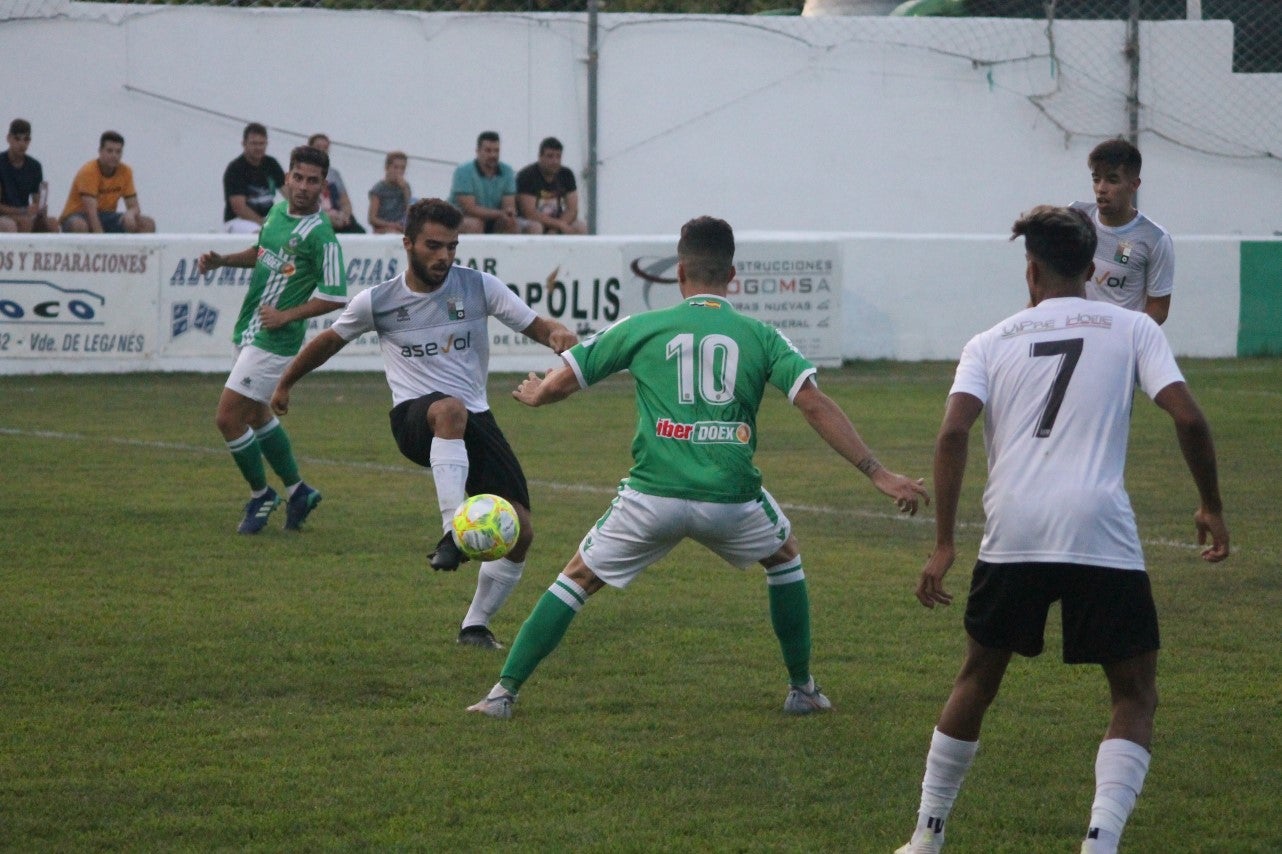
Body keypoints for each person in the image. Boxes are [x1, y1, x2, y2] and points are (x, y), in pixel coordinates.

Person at [466, 215, 930, 720]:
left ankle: (502, 694)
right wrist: (877, 472)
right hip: (731, 500)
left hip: (651, 498)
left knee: (577, 578)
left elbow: (571, 372)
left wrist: (538, 395)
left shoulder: (643, 326)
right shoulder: (761, 335)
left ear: (680, 272)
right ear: (732, 275)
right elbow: (814, 403)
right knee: (784, 557)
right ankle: (803, 689)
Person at [896, 205, 1229, 854]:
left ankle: (925, 837)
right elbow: (1188, 419)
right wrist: (1211, 503)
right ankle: (1099, 843)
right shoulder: (1133, 328)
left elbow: (952, 433)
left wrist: (943, 542)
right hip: (1099, 530)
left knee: (976, 679)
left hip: (1015, 528)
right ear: (1094, 267)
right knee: (1133, 693)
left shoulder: (989, 340)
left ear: (1031, 271)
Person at [270, 198, 577, 649]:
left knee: (521, 530)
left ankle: (475, 625)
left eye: (452, 247)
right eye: (434, 246)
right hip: (415, 418)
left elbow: (535, 324)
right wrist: (285, 383)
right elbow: (328, 342)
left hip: (475, 417)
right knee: (448, 408)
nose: (444, 257)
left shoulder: (478, 287)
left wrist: (558, 335)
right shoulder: (378, 301)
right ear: (408, 243)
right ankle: (454, 530)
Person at [198, 144, 348, 534]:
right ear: (287, 178)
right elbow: (262, 251)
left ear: (322, 186)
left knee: (228, 418)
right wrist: (223, 261)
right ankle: (299, 490)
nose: (302, 186)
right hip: (250, 326)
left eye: (312, 181)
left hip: (275, 339)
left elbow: (335, 295)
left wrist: (287, 315)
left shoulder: (322, 236)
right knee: (257, 416)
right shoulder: (278, 211)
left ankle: (261, 494)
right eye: (297, 177)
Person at [1071, 138, 1174, 325]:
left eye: (1112, 180)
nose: (1101, 188)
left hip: (1121, 346)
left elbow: (1158, 308)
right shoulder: (1076, 217)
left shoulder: (1155, 239)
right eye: (1096, 179)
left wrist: (1124, 335)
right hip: (1078, 335)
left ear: (1134, 185)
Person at [59, 130, 156, 233]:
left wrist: (130, 213)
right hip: (79, 216)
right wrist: (101, 243)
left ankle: (132, 249)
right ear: (100, 151)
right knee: (79, 225)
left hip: (106, 216)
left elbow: (134, 206)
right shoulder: (88, 171)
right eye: (109, 151)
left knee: (147, 224)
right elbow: (91, 213)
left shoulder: (126, 172)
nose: (114, 155)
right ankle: (87, 249)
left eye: (118, 152)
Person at [449, 131, 536, 235]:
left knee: (518, 224)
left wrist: (508, 214)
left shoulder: (507, 171)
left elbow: (509, 206)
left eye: (496, 151)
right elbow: (469, 209)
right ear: (478, 151)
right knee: (475, 225)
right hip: (462, 218)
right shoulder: (463, 171)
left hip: (494, 219)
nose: (493, 155)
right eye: (488, 150)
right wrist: (500, 213)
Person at [515, 136, 587, 235]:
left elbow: (572, 209)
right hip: (531, 221)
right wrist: (559, 225)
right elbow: (529, 212)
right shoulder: (527, 175)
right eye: (550, 156)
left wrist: (557, 227)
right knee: (536, 227)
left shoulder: (566, 174)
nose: (555, 161)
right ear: (540, 157)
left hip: (557, 219)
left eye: (558, 156)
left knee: (580, 227)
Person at [222, 122, 285, 234]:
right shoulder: (235, 169)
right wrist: (264, 223)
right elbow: (239, 208)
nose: (258, 147)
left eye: (261, 143)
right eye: (254, 143)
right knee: (260, 235)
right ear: (244, 144)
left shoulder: (271, 163)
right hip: (239, 221)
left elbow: (289, 192)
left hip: (266, 219)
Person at [0, 119, 56, 233]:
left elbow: (37, 201)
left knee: (53, 224)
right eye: (17, 139)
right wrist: (23, 210)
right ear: (8, 138)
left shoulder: (35, 166)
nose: (22, 144)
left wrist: (40, 209)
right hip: (5, 216)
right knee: (21, 223)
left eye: (26, 139)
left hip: (24, 215)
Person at [307, 133, 364, 234]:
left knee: (359, 232)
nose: (322, 150)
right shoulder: (303, 174)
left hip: (337, 217)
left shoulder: (334, 174)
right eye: (318, 147)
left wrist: (344, 215)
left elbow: (346, 202)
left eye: (325, 148)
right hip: (315, 219)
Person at [367, 150, 411, 234]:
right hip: (383, 229)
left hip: (401, 228)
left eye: (402, 168)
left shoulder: (405, 187)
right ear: (387, 168)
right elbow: (372, 218)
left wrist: (405, 190)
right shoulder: (379, 189)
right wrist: (392, 225)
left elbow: (410, 211)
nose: (399, 171)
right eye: (396, 167)